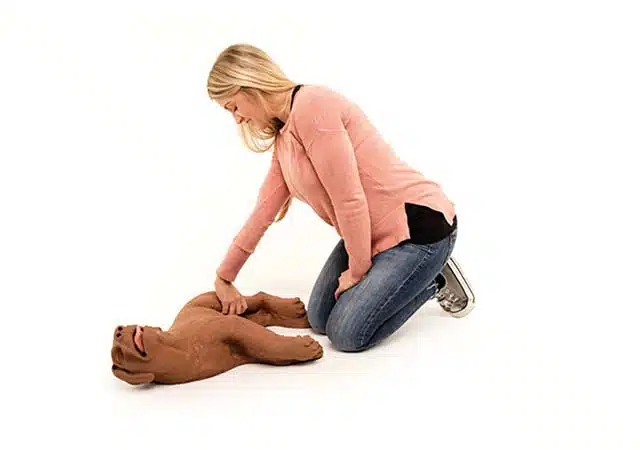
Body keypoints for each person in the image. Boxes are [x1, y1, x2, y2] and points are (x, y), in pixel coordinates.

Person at [206, 43, 475, 352]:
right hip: (369, 234)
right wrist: (224, 277)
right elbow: (262, 213)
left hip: (418, 228)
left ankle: (433, 279)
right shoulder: (284, 140)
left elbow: (350, 200)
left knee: (347, 334)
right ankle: (403, 276)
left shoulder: (313, 107)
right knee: (319, 318)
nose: (237, 119)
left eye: (233, 107)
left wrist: (357, 271)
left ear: (249, 86)